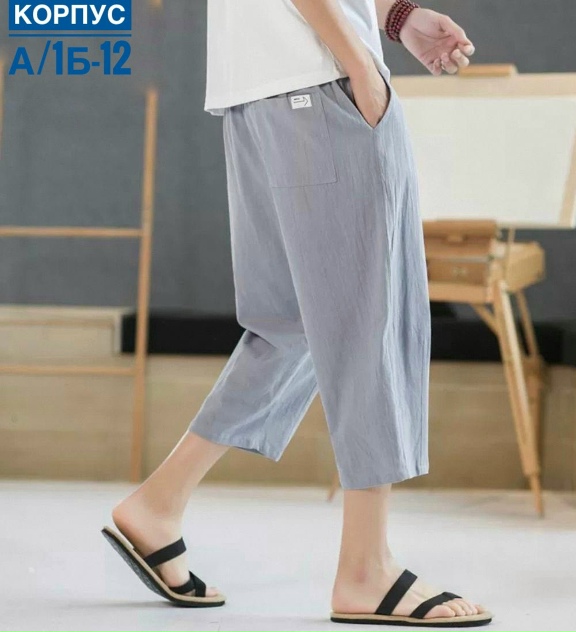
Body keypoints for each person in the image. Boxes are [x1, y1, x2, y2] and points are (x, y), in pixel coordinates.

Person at [103, 0, 492, 626]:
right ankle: (366, 570)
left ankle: (158, 505)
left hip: (258, 95)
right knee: (369, 323)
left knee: (293, 326)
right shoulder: (337, 68)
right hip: (320, 81)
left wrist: (394, 17)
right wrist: (359, 61)